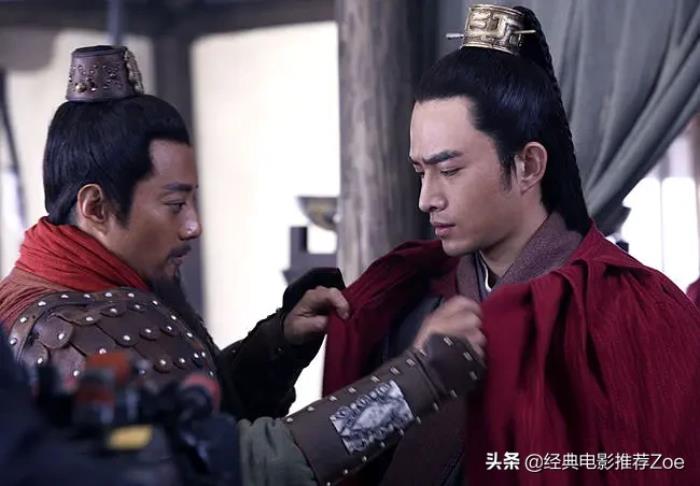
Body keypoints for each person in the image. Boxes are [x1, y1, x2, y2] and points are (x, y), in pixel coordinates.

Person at [0, 45, 486, 486]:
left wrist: (279, 344)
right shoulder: (72, 337)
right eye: (174, 205)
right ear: (96, 208)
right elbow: (239, 465)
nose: (193, 226)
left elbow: (195, 420)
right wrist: (415, 381)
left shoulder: (80, 296)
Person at [322, 4, 700, 485]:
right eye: (421, 171)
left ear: (528, 166)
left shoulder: (635, 310)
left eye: (450, 170)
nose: (426, 199)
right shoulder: (402, 299)